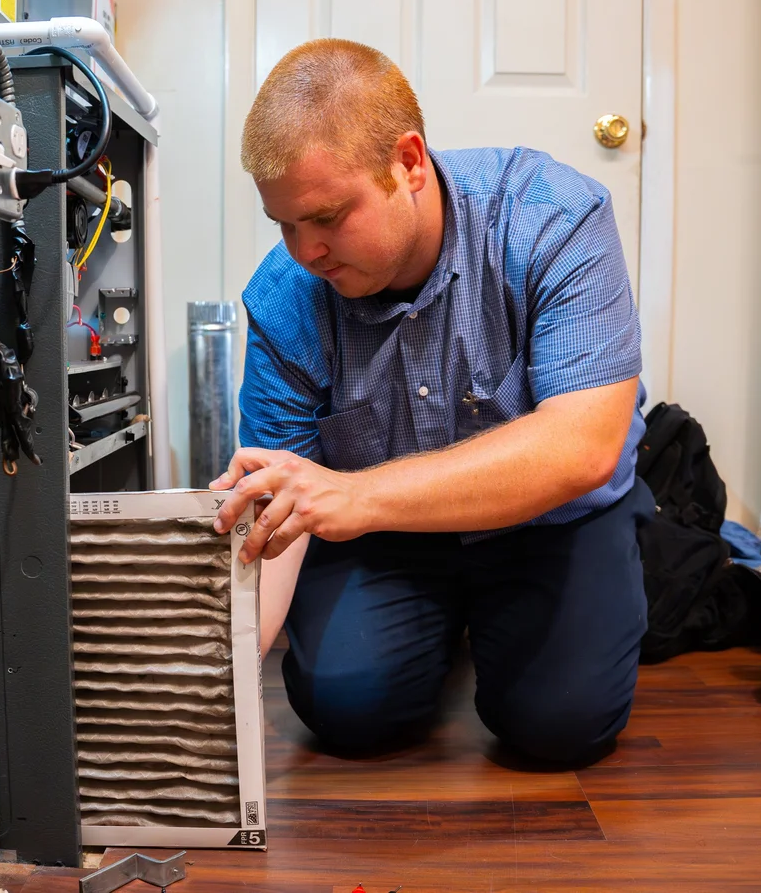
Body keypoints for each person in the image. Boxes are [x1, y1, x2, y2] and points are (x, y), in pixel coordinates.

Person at [210, 38, 653, 765]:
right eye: (285, 224)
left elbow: (582, 447)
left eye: (328, 217)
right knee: (345, 710)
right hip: (389, 535)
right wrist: (221, 675)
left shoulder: (555, 218)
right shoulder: (287, 298)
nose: (305, 251)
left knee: (558, 724)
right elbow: (277, 511)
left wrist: (358, 495)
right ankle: (435, 627)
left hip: (551, 518)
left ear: (409, 163)